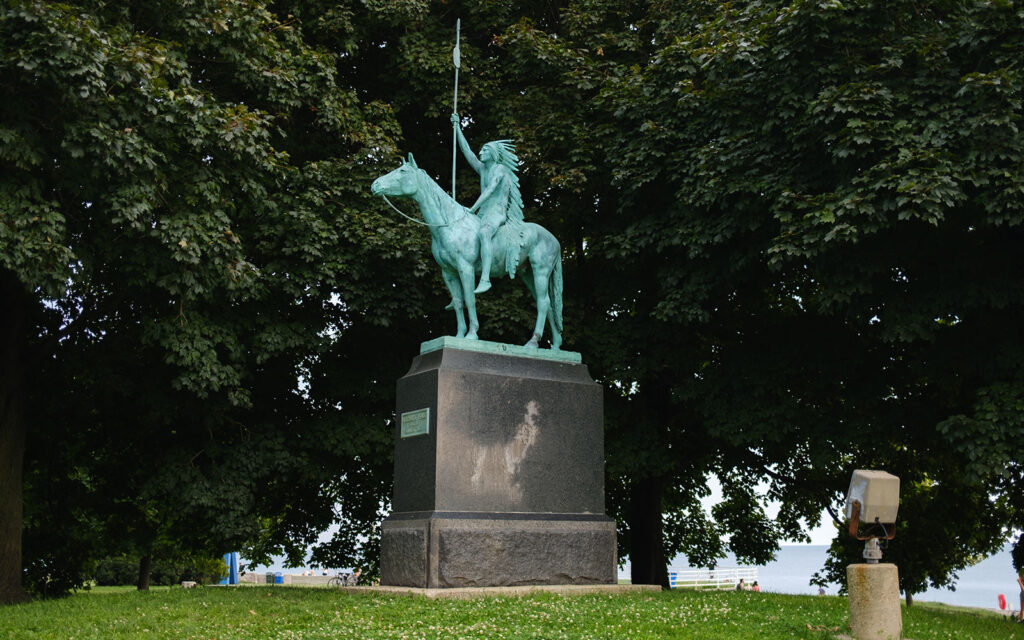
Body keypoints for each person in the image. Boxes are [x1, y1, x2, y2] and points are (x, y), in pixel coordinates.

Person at [451, 113, 525, 294]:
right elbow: (466, 151)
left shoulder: (500, 169)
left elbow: (490, 190)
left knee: (484, 233)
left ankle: (485, 279)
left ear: (493, 154)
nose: (480, 153)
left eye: (484, 150)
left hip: (496, 213)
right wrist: (457, 128)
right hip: (483, 213)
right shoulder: (483, 168)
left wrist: (472, 209)